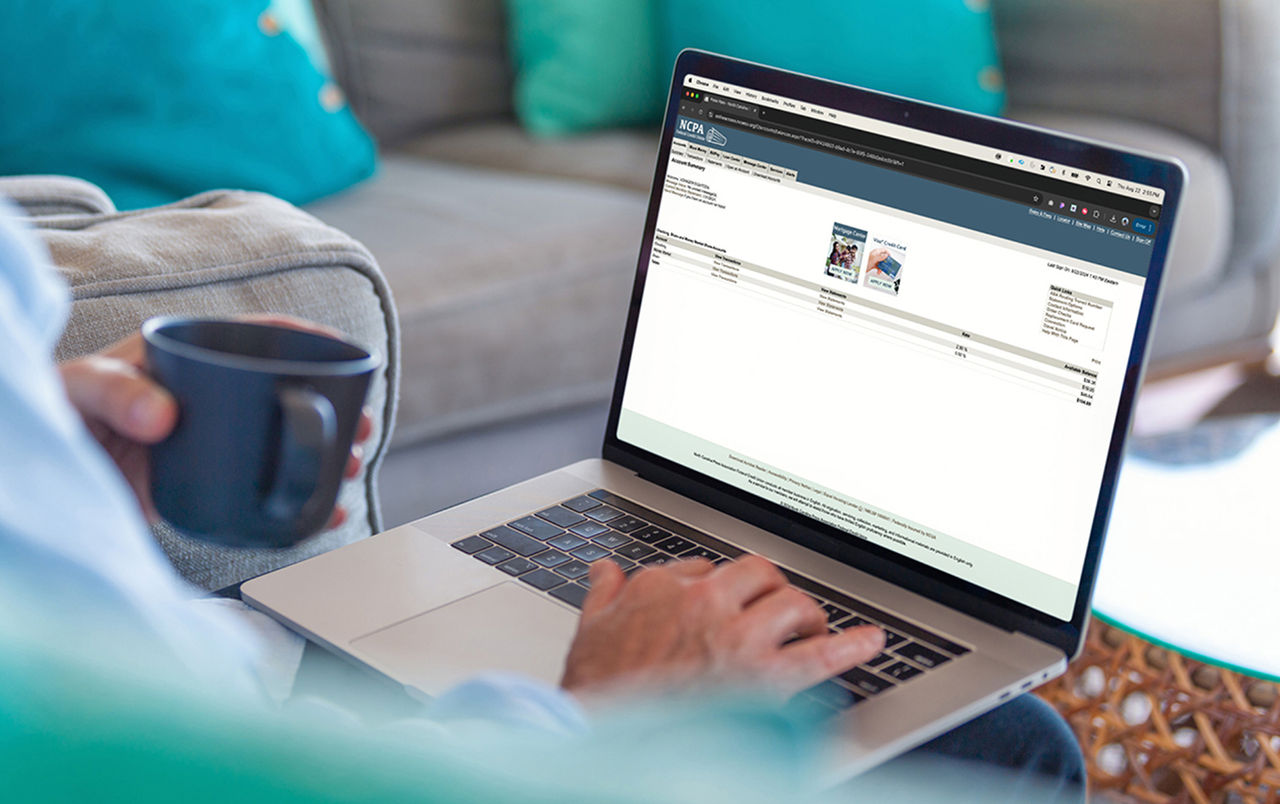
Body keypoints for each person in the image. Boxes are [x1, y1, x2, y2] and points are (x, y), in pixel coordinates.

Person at [0, 203, 1083, 800]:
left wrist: (54, 449)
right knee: (1010, 747)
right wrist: (600, 715)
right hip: (246, 733)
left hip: (210, 668)